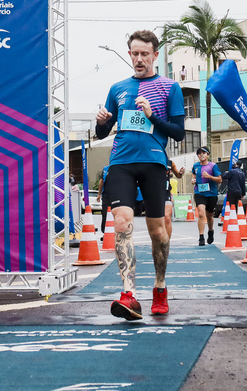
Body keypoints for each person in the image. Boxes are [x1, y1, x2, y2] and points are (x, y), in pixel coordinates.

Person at [95, 30, 185, 320]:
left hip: (154, 163)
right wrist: (102, 122)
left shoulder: (169, 87)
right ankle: (129, 294)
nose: (139, 59)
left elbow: (179, 133)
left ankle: (160, 288)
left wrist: (152, 117)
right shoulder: (117, 88)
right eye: (134, 53)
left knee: (157, 231)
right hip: (121, 162)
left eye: (144, 53)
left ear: (155, 55)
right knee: (121, 224)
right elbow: (102, 132)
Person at [192, 146, 222, 246]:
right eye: (199, 153)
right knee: (201, 214)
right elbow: (193, 174)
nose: (201, 155)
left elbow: (220, 179)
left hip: (211, 193)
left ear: (208, 155)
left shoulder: (213, 166)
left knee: (209, 215)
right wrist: (193, 180)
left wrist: (209, 176)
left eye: (203, 153)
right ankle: (201, 237)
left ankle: (210, 231)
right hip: (199, 192)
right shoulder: (195, 166)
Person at [164, 160, 185, 239]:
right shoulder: (151, 158)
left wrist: (180, 173)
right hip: (154, 193)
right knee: (157, 220)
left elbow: (178, 175)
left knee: (167, 217)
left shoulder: (170, 162)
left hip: (166, 193)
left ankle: (166, 243)